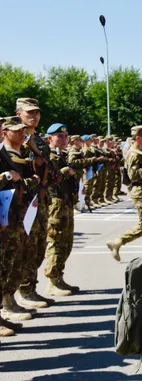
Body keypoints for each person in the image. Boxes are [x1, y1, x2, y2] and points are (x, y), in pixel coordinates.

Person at [0, 116, 42, 325]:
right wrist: (12, 178)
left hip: (18, 213)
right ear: (5, 132)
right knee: (6, 261)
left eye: (22, 130)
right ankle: (6, 305)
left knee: (16, 259)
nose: (21, 133)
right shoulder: (5, 154)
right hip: (9, 214)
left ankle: (9, 301)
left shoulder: (20, 152)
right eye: (16, 130)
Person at [16, 98, 56, 309]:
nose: (34, 116)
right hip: (21, 201)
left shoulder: (38, 139)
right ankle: (19, 291)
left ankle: (30, 288)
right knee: (22, 247)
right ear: (18, 113)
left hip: (39, 199)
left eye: (36, 113)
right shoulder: (14, 138)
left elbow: (45, 165)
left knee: (39, 246)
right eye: (29, 112)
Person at [106, 126, 142, 261]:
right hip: (140, 192)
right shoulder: (134, 154)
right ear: (138, 137)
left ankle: (117, 242)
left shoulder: (140, 151)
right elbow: (133, 175)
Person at [43, 123, 80, 296]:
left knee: (66, 242)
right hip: (56, 203)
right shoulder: (47, 156)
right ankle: (51, 281)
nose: (64, 139)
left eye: (65, 136)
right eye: (60, 136)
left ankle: (59, 277)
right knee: (56, 241)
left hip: (66, 201)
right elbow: (50, 178)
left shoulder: (62, 154)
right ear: (50, 138)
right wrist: (67, 171)